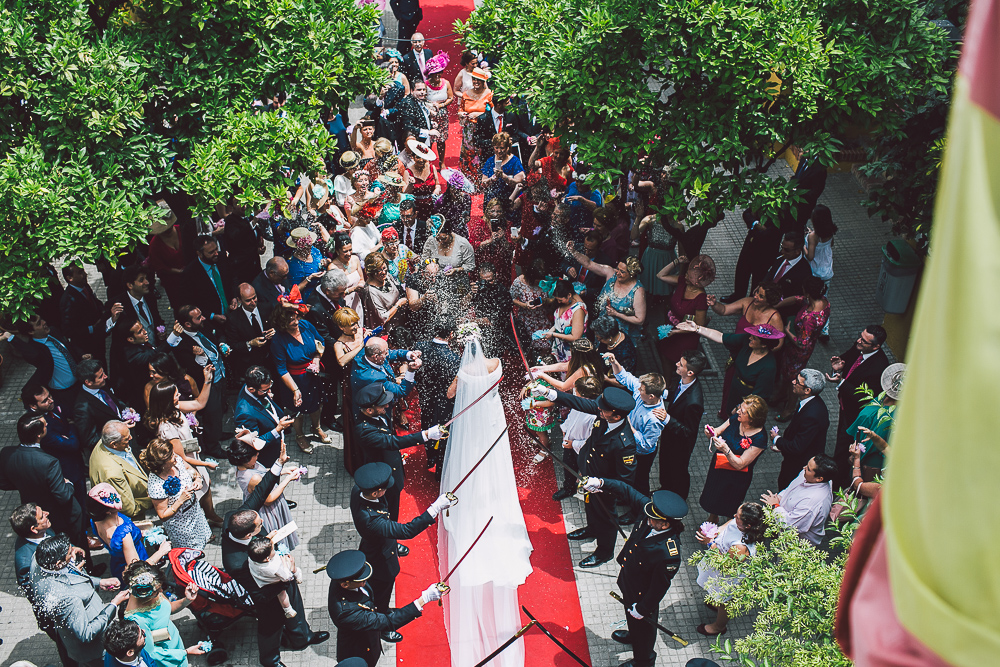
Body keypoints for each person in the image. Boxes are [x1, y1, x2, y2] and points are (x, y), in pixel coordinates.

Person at [438, 330, 533, 667]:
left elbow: (452, 395)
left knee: (469, 458)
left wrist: (460, 382)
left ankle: (470, 496)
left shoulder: (463, 372)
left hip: (471, 422)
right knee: (494, 459)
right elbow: (499, 381)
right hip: (491, 417)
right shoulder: (495, 363)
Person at [222, 440, 330, 666]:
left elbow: (261, 492)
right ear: (247, 535)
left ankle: (302, 636)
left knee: (295, 602)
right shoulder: (236, 562)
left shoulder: (239, 516)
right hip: (266, 590)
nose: (264, 525)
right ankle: (270, 660)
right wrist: (286, 574)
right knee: (270, 623)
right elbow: (259, 591)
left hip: (279, 570)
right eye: (260, 525)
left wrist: (279, 463)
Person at [583, 479, 687, 667]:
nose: (647, 519)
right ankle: (634, 634)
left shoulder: (668, 553)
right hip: (629, 581)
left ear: (665, 524)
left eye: (652, 519)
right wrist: (601, 482)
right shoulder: (651, 514)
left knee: (644, 627)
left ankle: (644, 660)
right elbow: (627, 490)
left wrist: (643, 608)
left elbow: (659, 587)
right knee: (633, 620)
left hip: (642, 594)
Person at [536, 385, 638, 567]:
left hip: (604, 487)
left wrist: (600, 483)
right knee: (590, 506)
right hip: (589, 474)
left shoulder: (625, 444)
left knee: (607, 518)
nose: (598, 409)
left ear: (616, 416)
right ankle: (592, 529)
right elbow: (579, 402)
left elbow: (625, 481)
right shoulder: (604, 414)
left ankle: (604, 552)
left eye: (603, 409)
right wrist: (549, 393)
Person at [350, 461, 452, 639]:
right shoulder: (372, 520)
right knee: (382, 590)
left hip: (377, 543)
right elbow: (407, 530)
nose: (386, 490)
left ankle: (384, 611)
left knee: (383, 593)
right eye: (383, 489)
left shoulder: (359, 491)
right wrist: (435, 508)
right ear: (375, 493)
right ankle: (383, 625)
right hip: (381, 559)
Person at [327, 549, 443, 667]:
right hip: (359, 650)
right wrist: (424, 599)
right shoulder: (346, 613)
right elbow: (387, 622)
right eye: (361, 580)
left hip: (367, 634)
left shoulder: (343, 576)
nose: (365, 581)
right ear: (345, 584)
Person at [30, 533, 130, 667]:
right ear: (58, 564)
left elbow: (70, 577)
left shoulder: (38, 559)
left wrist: (99, 582)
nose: (73, 553)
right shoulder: (67, 598)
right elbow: (86, 634)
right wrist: (113, 604)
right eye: (69, 553)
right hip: (96, 649)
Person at [1, 413, 89, 562]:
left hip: (35, 510)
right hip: (64, 515)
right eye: (45, 425)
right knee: (77, 543)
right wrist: (68, 484)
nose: (47, 425)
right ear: (39, 434)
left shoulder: (6, 453)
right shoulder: (49, 462)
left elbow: (3, 483)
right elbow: (63, 496)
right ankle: (88, 569)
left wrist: (27, 485)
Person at [144, 380, 224, 526]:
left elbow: (199, 403)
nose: (179, 395)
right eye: (176, 394)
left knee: (206, 484)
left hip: (193, 456)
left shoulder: (175, 408)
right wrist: (206, 463)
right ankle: (207, 518)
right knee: (199, 488)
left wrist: (206, 379)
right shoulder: (166, 428)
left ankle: (210, 515)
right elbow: (181, 458)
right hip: (187, 462)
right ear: (167, 400)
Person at [827, 325, 889, 489]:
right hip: (845, 405)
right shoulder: (860, 348)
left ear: (876, 346)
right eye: (860, 337)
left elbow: (862, 397)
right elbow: (847, 359)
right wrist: (839, 367)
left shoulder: (879, 368)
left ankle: (837, 482)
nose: (858, 341)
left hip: (856, 414)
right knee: (841, 439)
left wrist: (841, 383)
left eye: (864, 341)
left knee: (845, 445)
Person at [677, 320, 782, 416]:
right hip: (734, 390)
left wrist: (740, 408)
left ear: (764, 345)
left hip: (748, 403)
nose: (750, 338)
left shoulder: (769, 366)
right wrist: (697, 328)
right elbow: (720, 337)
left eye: (754, 338)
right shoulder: (747, 341)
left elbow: (758, 397)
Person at [694, 502, 766, 636]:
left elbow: (725, 565)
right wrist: (713, 532)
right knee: (717, 594)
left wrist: (710, 543)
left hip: (727, 575)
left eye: (738, 516)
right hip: (718, 563)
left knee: (725, 601)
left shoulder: (741, 547)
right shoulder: (740, 524)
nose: (734, 516)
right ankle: (716, 603)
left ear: (748, 525)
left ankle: (719, 626)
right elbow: (726, 527)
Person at [169, 305, 227, 457]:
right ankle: (213, 447)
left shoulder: (203, 325)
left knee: (220, 409)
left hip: (220, 374)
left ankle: (218, 433)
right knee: (211, 414)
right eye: (198, 317)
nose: (204, 318)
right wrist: (198, 357)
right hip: (206, 384)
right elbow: (188, 367)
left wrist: (221, 343)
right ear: (187, 324)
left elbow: (219, 333)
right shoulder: (182, 344)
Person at [607, 355, 668, 501]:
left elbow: (647, 445)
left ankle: (637, 509)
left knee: (639, 480)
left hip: (640, 454)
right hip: (628, 442)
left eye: (641, 389)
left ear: (652, 396)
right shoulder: (642, 393)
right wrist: (614, 362)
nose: (638, 389)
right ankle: (624, 497)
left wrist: (629, 427)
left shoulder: (654, 419)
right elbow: (625, 377)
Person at [699, 395, 769, 523]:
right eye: (739, 408)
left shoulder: (760, 438)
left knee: (730, 503)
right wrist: (710, 433)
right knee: (713, 494)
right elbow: (718, 431)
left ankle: (728, 525)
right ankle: (713, 516)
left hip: (736, 478)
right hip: (719, 467)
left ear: (752, 418)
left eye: (742, 411)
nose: (737, 412)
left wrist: (726, 450)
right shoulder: (737, 419)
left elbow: (740, 464)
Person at [121, 561, 203, 667]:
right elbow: (152, 652)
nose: (161, 590)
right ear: (144, 594)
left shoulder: (152, 592)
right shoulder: (136, 619)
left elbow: (170, 608)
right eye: (158, 590)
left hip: (174, 642)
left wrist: (187, 600)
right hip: (167, 658)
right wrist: (185, 652)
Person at [271, 301, 329, 453]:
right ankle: (299, 435)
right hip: (294, 380)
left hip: (312, 375)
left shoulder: (305, 325)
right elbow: (282, 369)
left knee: (317, 404)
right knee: (297, 411)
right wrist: (295, 390)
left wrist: (316, 361)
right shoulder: (278, 340)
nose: (296, 323)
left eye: (296, 318)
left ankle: (316, 427)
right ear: (282, 324)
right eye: (291, 322)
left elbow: (320, 342)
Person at [228, 433, 300, 551]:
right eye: (254, 455)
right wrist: (288, 479)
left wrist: (283, 470)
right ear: (246, 460)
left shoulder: (244, 465)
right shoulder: (253, 478)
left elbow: (263, 474)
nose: (257, 455)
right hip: (268, 510)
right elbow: (269, 499)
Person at [23, 382, 88, 510]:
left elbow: (69, 412)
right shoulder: (40, 427)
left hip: (74, 459)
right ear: (33, 406)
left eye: (50, 396)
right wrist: (71, 426)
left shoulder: (51, 404)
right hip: (66, 467)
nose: (51, 401)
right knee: (77, 499)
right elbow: (72, 445)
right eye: (45, 401)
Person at [87, 483, 171, 581]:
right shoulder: (124, 535)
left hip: (118, 564)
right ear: (108, 511)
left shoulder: (96, 521)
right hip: (136, 561)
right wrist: (161, 552)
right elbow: (137, 570)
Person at [565, 243, 646, 343]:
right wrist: (573, 251)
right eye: (617, 269)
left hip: (622, 336)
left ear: (631, 274)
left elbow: (640, 320)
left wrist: (616, 314)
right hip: (602, 331)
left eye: (622, 272)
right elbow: (588, 264)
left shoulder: (637, 291)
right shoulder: (610, 273)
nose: (617, 273)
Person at [140, 438, 212, 550]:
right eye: (171, 456)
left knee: (201, 538)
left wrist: (197, 479)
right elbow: (163, 515)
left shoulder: (176, 461)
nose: (175, 456)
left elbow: (190, 469)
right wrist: (180, 500)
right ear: (162, 463)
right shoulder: (156, 485)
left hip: (195, 511)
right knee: (190, 551)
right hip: (181, 524)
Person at [412, 320, 462, 478]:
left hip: (425, 397)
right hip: (444, 403)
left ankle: (430, 458)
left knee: (426, 425)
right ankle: (440, 469)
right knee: (442, 433)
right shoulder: (454, 358)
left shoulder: (419, 346)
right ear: (451, 334)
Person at [774, 276, 830, 416]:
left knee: (794, 378)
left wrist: (787, 331)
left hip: (799, 352)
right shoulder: (824, 302)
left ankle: (789, 409)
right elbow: (797, 298)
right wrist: (777, 305)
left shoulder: (810, 318)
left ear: (808, 293)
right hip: (807, 345)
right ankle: (782, 394)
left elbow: (802, 343)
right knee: (787, 373)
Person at [658, 350, 708, 499]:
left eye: (681, 364)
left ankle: (678, 497)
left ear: (690, 372)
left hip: (680, 444)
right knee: (665, 464)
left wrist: (667, 419)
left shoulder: (694, 402)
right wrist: (664, 394)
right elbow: (678, 394)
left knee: (677, 470)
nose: (676, 364)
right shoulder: (684, 381)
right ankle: (665, 489)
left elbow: (688, 431)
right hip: (670, 436)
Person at [770, 368, 830, 490]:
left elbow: (797, 446)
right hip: (797, 455)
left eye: (797, 382)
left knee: (786, 485)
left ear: (807, 390)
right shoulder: (808, 402)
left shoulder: (812, 415)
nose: (793, 382)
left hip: (798, 462)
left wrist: (777, 439)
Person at [760, 455, 837, 545]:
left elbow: (790, 525)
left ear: (819, 479)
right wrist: (779, 498)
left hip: (795, 543)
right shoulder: (808, 476)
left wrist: (775, 506)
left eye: (808, 469)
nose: (804, 468)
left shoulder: (812, 502)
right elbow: (790, 489)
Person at [9, 314, 83, 408]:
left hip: (79, 381)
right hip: (65, 393)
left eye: (42, 319)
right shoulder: (35, 349)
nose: (44, 322)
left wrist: (81, 354)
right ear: (31, 332)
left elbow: (68, 346)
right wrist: (11, 338)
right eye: (39, 323)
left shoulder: (53, 331)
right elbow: (32, 354)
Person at [655, 254, 716, 366]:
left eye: (690, 276)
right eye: (687, 273)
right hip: (670, 328)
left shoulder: (701, 299)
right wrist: (677, 261)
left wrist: (676, 332)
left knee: (681, 364)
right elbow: (660, 275)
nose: (686, 276)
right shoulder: (683, 281)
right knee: (665, 356)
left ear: (699, 281)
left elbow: (699, 326)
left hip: (685, 337)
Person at [233, 365, 296, 469]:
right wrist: (278, 429)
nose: (269, 392)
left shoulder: (253, 386)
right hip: (267, 456)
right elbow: (253, 443)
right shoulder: (244, 413)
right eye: (265, 390)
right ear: (251, 389)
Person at [552, 377, 603, 501]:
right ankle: (569, 488)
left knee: (587, 471)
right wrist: (564, 430)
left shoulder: (594, 416)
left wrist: (574, 444)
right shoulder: (577, 404)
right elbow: (571, 418)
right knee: (569, 467)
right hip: (569, 444)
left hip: (583, 449)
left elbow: (593, 439)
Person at [60, 264, 123, 364]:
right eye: (80, 272)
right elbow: (68, 330)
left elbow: (94, 301)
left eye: (83, 271)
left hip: (98, 338)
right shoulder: (68, 301)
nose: (85, 274)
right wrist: (92, 328)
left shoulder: (84, 286)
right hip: (87, 344)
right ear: (70, 278)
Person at [89, 421, 151, 520]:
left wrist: (123, 427)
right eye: (127, 439)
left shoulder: (105, 440)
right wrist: (155, 497)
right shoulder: (113, 474)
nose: (131, 438)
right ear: (114, 444)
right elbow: (130, 509)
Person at [719, 210, 782, 304]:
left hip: (766, 251)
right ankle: (738, 296)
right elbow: (747, 213)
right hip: (750, 244)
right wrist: (756, 224)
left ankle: (752, 301)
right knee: (742, 271)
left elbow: (774, 231)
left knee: (758, 276)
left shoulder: (783, 211)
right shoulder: (762, 200)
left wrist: (763, 230)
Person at [331, 309, 366, 472]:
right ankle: (357, 460)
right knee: (355, 422)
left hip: (367, 381)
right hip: (352, 387)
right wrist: (362, 346)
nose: (356, 327)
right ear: (341, 327)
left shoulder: (362, 332)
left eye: (356, 322)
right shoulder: (338, 344)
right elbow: (341, 361)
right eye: (351, 325)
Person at [180, 236, 234, 334]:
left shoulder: (222, 258)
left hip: (232, 315)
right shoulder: (190, 273)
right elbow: (190, 302)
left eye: (216, 249)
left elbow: (233, 278)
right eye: (211, 252)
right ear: (199, 254)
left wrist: (234, 297)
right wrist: (212, 315)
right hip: (211, 323)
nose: (216, 254)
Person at [73, 358, 127, 453]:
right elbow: (89, 440)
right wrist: (117, 430)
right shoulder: (82, 408)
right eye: (101, 376)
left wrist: (125, 409)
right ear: (88, 382)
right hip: (111, 449)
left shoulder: (101, 385)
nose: (105, 377)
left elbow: (114, 401)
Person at [759, 231, 812, 319]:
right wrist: (761, 285)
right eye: (782, 247)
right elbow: (772, 272)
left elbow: (798, 297)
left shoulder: (804, 272)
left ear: (797, 251)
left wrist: (776, 305)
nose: (782, 251)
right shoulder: (781, 257)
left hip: (782, 313)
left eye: (786, 250)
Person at [226, 283, 274, 380]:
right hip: (250, 364)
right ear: (239, 300)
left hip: (271, 359)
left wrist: (274, 331)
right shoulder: (233, 319)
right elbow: (233, 344)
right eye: (248, 300)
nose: (253, 302)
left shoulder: (266, 308)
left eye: (254, 297)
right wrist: (250, 343)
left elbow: (278, 325)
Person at [248, 535, 303, 618]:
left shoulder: (252, 558)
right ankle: (297, 575)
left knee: (280, 594)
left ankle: (288, 610)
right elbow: (286, 577)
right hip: (276, 580)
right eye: (273, 550)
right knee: (291, 566)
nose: (274, 550)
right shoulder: (273, 567)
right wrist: (285, 562)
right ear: (267, 558)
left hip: (264, 581)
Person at [805, 204, 837, 341]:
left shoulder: (813, 236)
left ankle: (808, 326)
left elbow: (810, 256)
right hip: (827, 273)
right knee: (823, 300)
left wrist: (803, 245)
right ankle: (825, 330)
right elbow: (830, 245)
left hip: (815, 273)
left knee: (810, 300)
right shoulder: (830, 233)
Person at [509, 259, 551, 355]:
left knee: (546, 345)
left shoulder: (547, 280)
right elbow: (512, 298)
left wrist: (545, 301)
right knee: (528, 347)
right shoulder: (519, 282)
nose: (538, 282)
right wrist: (525, 305)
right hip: (526, 320)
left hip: (543, 318)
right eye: (536, 280)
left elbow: (555, 299)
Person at [360, 252, 408, 333]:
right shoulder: (370, 292)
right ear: (372, 272)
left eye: (384, 268)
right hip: (387, 331)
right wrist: (398, 304)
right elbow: (382, 318)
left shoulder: (387, 277)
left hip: (400, 323)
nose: (383, 272)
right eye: (379, 270)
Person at [457, 68, 492, 179]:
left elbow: (493, 112)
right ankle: (469, 179)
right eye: (474, 79)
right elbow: (460, 109)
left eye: (479, 80)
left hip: (483, 128)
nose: (476, 82)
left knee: (482, 152)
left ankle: (484, 178)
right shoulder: (466, 94)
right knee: (468, 153)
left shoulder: (489, 94)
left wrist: (478, 114)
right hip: (469, 129)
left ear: (483, 82)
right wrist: (461, 114)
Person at [421, 219, 476, 286]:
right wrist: (430, 268)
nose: (440, 242)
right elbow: (424, 261)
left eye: (443, 239)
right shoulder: (431, 241)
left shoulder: (462, 243)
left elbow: (471, 265)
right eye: (437, 239)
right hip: (435, 282)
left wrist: (457, 270)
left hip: (458, 283)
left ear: (450, 232)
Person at [545, 278, 588, 362]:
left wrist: (553, 334)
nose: (559, 302)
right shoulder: (564, 302)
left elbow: (575, 337)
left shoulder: (578, 310)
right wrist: (550, 331)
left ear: (569, 295)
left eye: (560, 300)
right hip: (558, 347)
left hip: (571, 352)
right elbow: (560, 323)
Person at [423, 52, 453, 161]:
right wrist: (430, 107)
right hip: (429, 114)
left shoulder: (446, 83)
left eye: (439, 73)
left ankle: (441, 161)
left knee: (441, 139)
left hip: (442, 114)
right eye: (434, 73)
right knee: (429, 139)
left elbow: (450, 98)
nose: (437, 75)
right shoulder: (425, 85)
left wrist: (441, 105)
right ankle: (427, 161)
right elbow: (422, 99)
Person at [251, 257, 293, 324]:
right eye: (283, 276)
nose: (286, 278)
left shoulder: (281, 275)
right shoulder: (258, 288)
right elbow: (269, 314)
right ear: (271, 273)